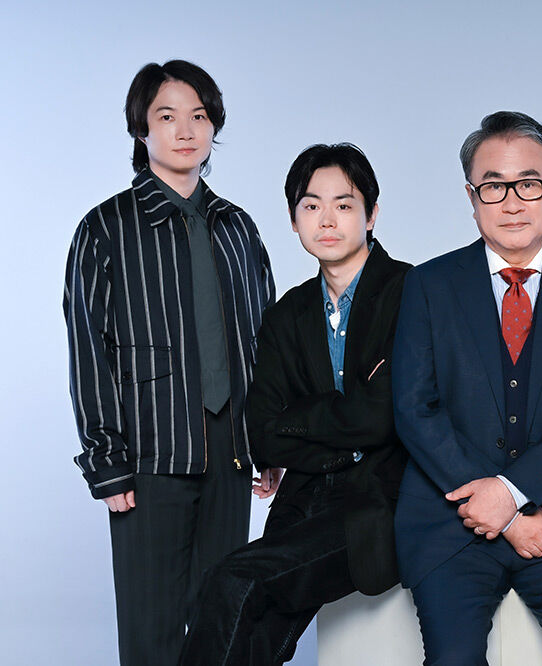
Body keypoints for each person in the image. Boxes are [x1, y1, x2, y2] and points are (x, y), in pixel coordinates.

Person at [392, 111, 542, 665]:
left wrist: (515, 494)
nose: (513, 203)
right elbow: (414, 408)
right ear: (471, 197)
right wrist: (499, 507)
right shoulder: (427, 285)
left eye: (529, 184)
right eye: (493, 186)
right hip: (452, 522)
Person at [62, 60, 276, 666]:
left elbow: (264, 340)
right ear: (142, 129)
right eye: (167, 116)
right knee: (151, 629)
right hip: (148, 455)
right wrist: (106, 462)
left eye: (199, 116)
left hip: (231, 451)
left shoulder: (238, 228)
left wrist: (269, 441)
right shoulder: (105, 228)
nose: (186, 131)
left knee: (222, 620)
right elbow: (88, 347)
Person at [179, 143, 411, 664]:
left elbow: (384, 417)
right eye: (311, 206)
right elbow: (264, 432)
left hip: (380, 499)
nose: (326, 219)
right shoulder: (287, 313)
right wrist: (344, 424)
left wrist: (305, 422)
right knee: (251, 627)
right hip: (305, 497)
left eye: (344, 205)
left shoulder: (410, 292)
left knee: (236, 580)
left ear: (371, 214)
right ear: (293, 220)